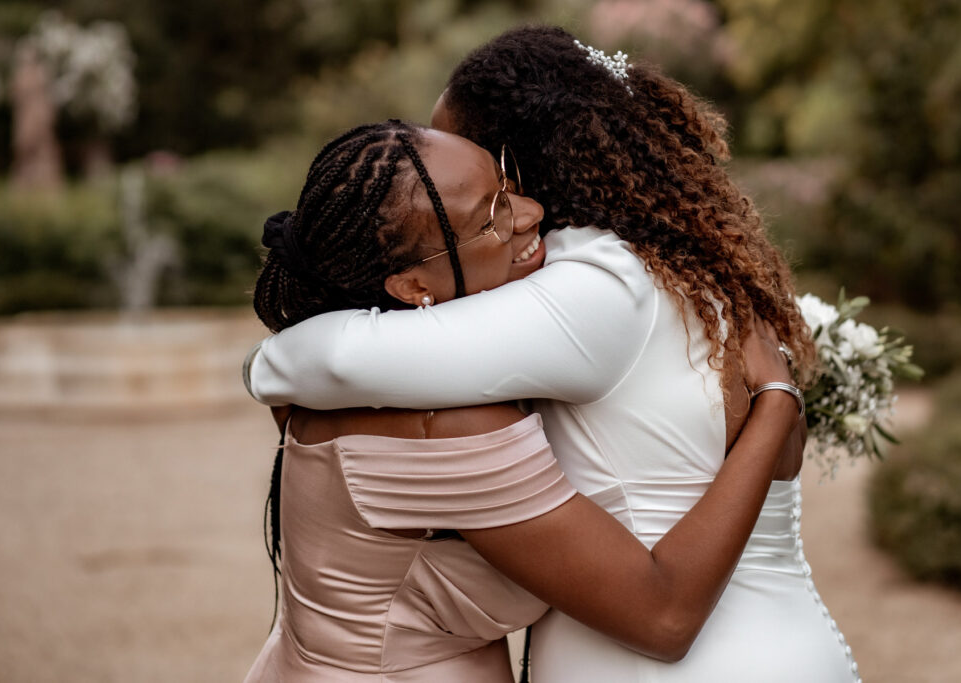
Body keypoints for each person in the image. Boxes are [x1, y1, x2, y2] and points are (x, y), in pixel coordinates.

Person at [245, 27, 861, 682]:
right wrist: (777, 404)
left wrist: (267, 363)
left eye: (497, 173)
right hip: (785, 639)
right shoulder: (676, 257)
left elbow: (339, 357)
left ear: (531, 157)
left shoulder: (590, 286)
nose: (525, 210)